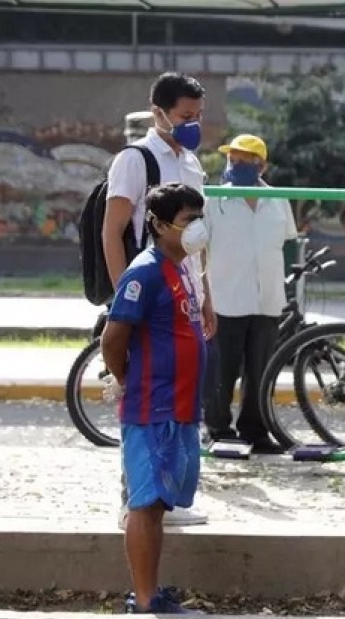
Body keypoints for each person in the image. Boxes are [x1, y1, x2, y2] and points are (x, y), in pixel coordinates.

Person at [105, 71, 214, 530]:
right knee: (143, 400)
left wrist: (206, 296)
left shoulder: (191, 163)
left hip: (185, 295)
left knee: (179, 400)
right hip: (147, 297)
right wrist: (123, 299)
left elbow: (201, 239)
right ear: (159, 113)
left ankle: (167, 498)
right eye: (185, 116)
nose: (193, 124)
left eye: (198, 116)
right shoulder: (135, 159)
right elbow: (112, 230)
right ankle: (137, 501)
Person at [100, 183, 209, 614]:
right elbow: (113, 338)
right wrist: (127, 380)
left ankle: (150, 591)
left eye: (199, 218)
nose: (197, 228)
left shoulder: (181, 266)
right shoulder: (143, 272)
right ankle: (144, 600)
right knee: (145, 503)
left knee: (160, 503)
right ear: (160, 225)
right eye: (187, 220)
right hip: (152, 409)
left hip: (180, 408)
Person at [202, 134, 297, 455]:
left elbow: (287, 239)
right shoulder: (214, 200)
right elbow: (200, 249)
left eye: (245, 160)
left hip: (267, 299)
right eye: (233, 160)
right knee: (222, 369)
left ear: (262, 165)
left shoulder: (278, 198)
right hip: (226, 298)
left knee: (261, 372)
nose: (237, 165)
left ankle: (256, 432)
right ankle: (217, 428)